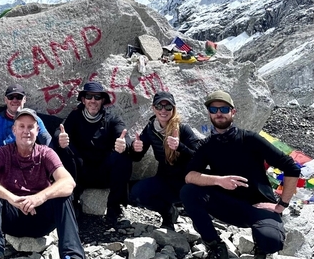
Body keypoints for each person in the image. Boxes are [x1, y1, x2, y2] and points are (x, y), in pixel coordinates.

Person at [181, 91, 301, 259]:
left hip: (259, 206)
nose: (219, 113)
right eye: (213, 110)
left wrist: (282, 205)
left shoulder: (250, 139)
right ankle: (215, 246)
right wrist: (219, 180)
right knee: (189, 191)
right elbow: (189, 176)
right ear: (209, 114)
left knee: (271, 241)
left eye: (223, 108)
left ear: (233, 112)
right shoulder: (207, 145)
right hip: (228, 206)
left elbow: (291, 168)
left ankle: (261, 248)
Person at [0, 108, 85, 259]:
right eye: (21, 126)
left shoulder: (46, 153)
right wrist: (13, 199)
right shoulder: (2, 152)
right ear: (14, 130)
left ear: (38, 130)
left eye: (31, 127)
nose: (26, 131)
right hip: (10, 218)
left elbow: (68, 182)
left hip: (40, 219)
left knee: (62, 194)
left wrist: (38, 198)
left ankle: (72, 254)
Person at [52, 81, 132, 225]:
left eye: (97, 97)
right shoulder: (75, 116)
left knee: (123, 158)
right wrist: (60, 138)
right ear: (83, 100)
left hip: (104, 172)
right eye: (89, 97)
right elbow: (60, 130)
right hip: (80, 173)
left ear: (102, 100)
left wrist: (124, 144)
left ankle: (114, 208)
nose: (93, 101)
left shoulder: (112, 118)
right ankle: (72, 201)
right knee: (65, 149)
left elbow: (123, 135)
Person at [129, 91, 202, 228]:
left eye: (168, 107)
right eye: (159, 106)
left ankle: (204, 228)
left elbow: (199, 157)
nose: (163, 110)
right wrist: (135, 149)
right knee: (137, 194)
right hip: (165, 179)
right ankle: (168, 213)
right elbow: (137, 158)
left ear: (173, 109)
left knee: (198, 214)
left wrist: (180, 147)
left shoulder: (183, 128)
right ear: (153, 108)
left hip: (186, 182)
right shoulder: (151, 128)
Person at [0, 84, 51, 163]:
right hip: (0, 164)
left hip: (27, 164)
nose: (15, 100)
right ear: (5, 100)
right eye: (11, 97)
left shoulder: (34, 120)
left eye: (19, 97)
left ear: (24, 99)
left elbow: (46, 139)